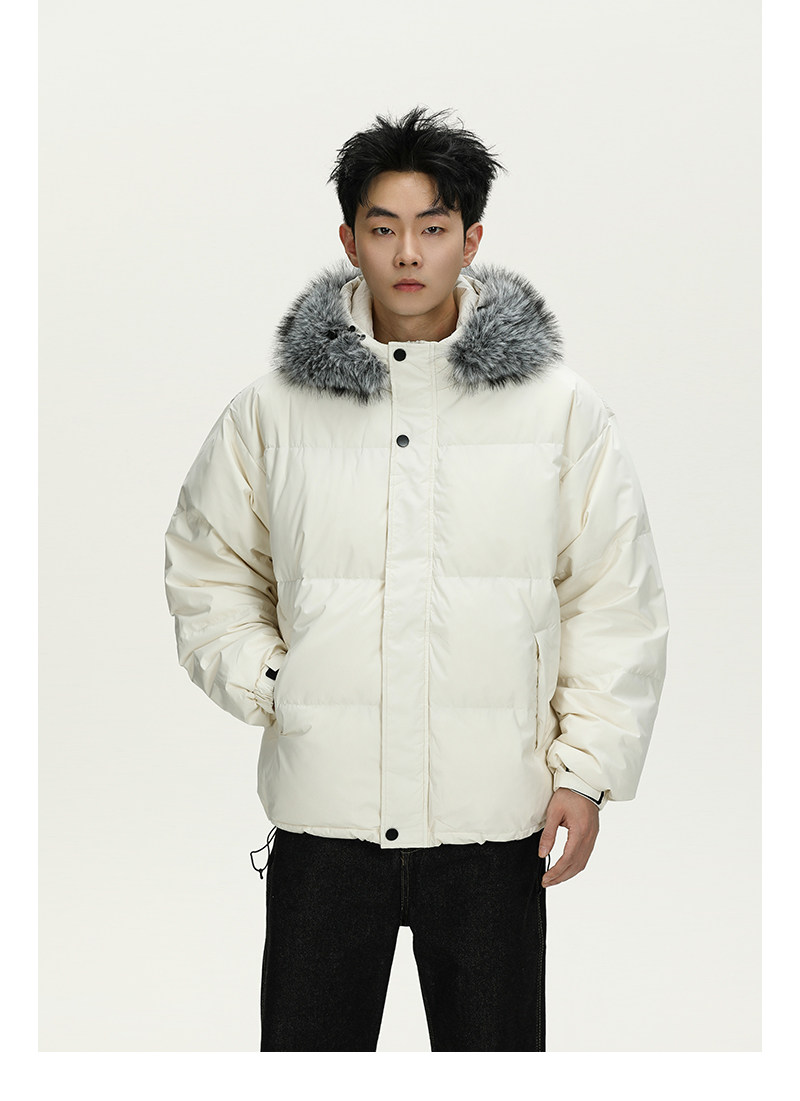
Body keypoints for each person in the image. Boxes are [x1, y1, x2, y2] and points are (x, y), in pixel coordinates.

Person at [163, 106, 669, 1052]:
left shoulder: (560, 411)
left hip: (494, 829)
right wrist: (278, 683)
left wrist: (587, 774)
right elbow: (209, 565)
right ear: (348, 238)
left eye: (433, 228)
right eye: (384, 227)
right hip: (324, 828)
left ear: (470, 240)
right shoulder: (272, 412)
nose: (407, 253)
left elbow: (611, 596)